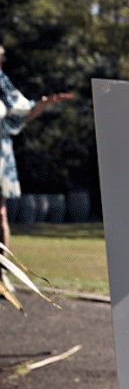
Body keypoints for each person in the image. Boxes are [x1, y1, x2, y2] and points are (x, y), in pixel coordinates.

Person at [0, 42, 72, 285]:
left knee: (0, 215)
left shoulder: (2, 83)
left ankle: (1, 274)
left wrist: (43, 104)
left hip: (1, 155)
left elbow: (23, 112)